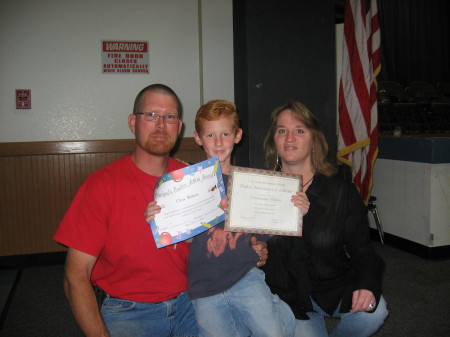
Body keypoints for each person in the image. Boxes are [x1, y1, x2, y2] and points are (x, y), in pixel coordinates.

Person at [53, 84, 266, 337]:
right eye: (151, 115)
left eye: (170, 117)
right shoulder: (102, 185)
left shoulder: (198, 179)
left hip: (193, 302)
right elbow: (75, 278)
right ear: (133, 122)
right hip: (129, 311)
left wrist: (251, 248)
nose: (161, 124)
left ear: (180, 127)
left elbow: (218, 239)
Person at [145, 100, 296, 337]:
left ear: (237, 136)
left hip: (244, 274)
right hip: (204, 284)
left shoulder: (248, 183)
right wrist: (158, 218)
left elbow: (265, 230)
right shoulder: (188, 184)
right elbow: (183, 239)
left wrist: (293, 210)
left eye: (225, 134)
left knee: (274, 333)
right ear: (198, 138)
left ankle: (280, 308)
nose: (218, 142)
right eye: (210, 135)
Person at [260, 100, 389, 337]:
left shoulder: (341, 192)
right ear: (273, 142)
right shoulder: (260, 190)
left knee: (375, 311)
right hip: (288, 296)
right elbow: (252, 251)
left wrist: (367, 285)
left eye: (299, 130)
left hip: (332, 286)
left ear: (314, 141)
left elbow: (363, 251)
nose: (289, 138)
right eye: (282, 131)